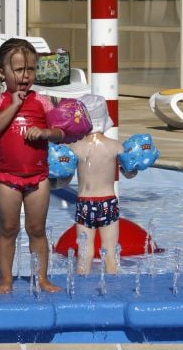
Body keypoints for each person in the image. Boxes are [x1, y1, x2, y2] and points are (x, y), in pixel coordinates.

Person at [0, 38, 62, 294]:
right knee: (8, 229)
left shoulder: (43, 102)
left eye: (30, 69)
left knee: (37, 229)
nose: (25, 75)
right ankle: (5, 279)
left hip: (38, 178)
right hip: (8, 178)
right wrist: (15, 104)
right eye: (18, 70)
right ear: (2, 73)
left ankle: (41, 278)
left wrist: (45, 132)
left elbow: (61, 133)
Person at [69, 95, 137, 275]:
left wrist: (54, 182)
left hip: (84, 202)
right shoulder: (115, 146)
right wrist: (136, 168)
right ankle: (113, 290)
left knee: (85, 251)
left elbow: (64, 179)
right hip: (108, 201)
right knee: (110, 250)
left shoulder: (75, 147)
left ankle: (81, 287)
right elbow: (129, 173)